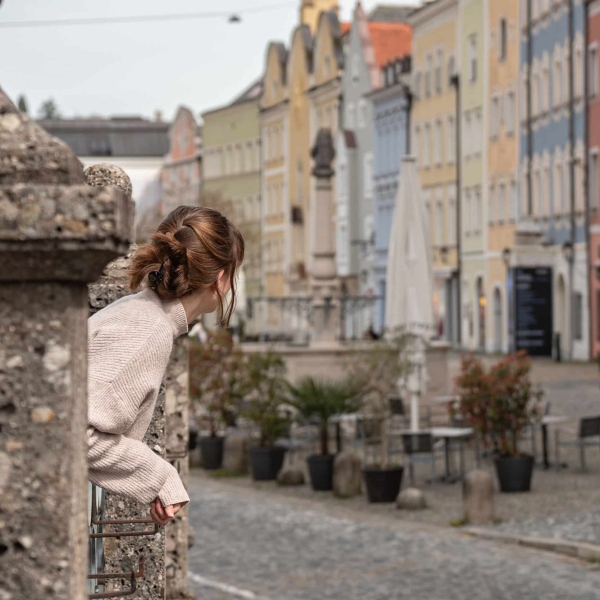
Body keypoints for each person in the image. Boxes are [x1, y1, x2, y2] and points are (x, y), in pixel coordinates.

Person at [87, 206, 244, 526]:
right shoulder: (148, 331)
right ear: (221, 279)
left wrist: (153, 483)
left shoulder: (143, 314)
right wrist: (160, 475)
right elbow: (77, 434)